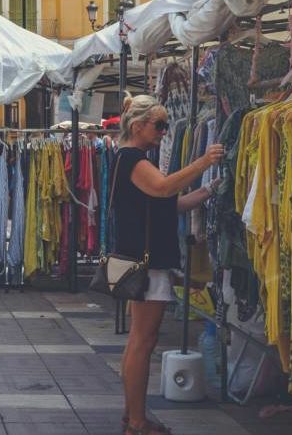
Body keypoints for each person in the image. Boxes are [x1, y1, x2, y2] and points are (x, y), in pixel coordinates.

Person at [113, 94, 223, 435]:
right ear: (138, 126)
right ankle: (137, 421)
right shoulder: (133, 159)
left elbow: (170, 203)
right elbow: (163, 189)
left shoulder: (132, 159)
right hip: (146, 262)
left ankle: (131, 415)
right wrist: (203, 162)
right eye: (159, 125)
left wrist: (209, 190)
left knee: (139, 339)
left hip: (138, 258)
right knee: (143, 340)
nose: (164, 132)